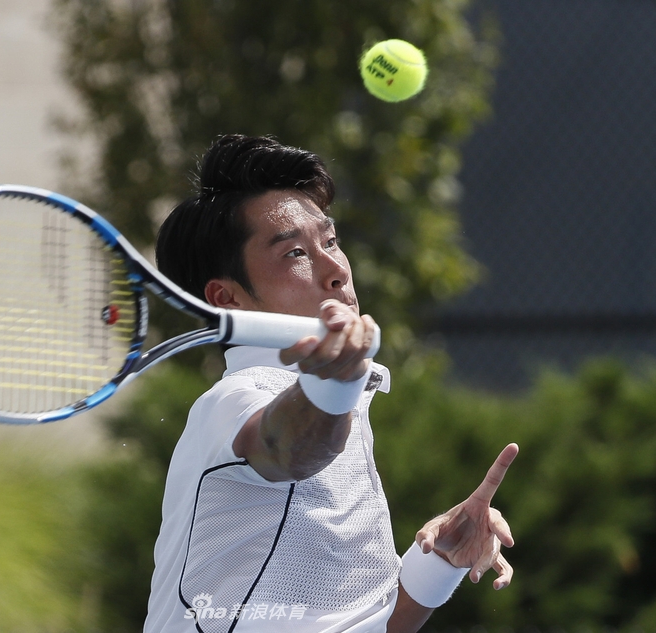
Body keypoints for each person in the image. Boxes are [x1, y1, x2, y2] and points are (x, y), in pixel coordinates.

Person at [145, 134, 518, 633]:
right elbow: (287, 450)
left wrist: (441, 563)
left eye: (331, 241)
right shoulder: (236, 399)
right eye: (296, 253)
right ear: (226, 298)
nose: (336, 270)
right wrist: (334, 386)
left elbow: (370, 625)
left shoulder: (346, 412)